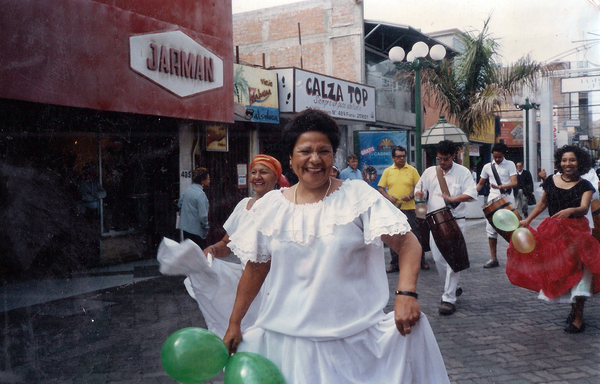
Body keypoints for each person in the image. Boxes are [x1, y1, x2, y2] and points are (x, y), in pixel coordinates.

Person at [223, 109, 449, 383]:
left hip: (354, 345)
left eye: (324, 151)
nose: (315, 159)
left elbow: (408, 243)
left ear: (333, 157)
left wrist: (406, 294)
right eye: (305, 151)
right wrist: (235, 322)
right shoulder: (270, 207)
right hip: (288, 344)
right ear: (291, 158)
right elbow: (256, 268)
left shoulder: (357, 196)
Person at [158, 155, 283, 338]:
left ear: (276, 177)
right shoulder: (243, 206)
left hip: (274, 285)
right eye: (254, 172)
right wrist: (213, 250)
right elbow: (227, 243)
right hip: (246, 280)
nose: (257, 177)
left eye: (264, 172)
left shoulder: (282, 205)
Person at [507, 145, 600, 333]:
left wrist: (571, 211)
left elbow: (584, 208)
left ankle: (579, 317)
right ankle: (573, 310)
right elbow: (542, 204)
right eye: (565, 160)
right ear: (560, 162)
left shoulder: (586, 185)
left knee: (580, 273)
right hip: (554, 233)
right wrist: (528, 219)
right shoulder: (550, 181)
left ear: (579, 162)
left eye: (572, 160)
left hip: (577, 232)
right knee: (563, 273)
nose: (568, 164)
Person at [415, 140, 478, 316]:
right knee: (438, 258)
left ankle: (448, 298)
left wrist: (453, 199)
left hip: (456, 221)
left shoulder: (463, 172)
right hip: (435, 222)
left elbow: (471, 194)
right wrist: (419, 195)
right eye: (439, 159)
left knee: (454, 259)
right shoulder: (429, 172)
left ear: (453, 156)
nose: (442, 162)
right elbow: (420, 191)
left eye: (446, 159)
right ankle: (453, 286)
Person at [378, 145, 429, 272]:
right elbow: (380, 188)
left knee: (416, 235)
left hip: (411, 208)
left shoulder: (412, 170)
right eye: (399, 157)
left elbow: (420, 187)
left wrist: (411, 195)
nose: (402, 159)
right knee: (394, 235)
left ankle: (421, 260)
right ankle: (395, 263)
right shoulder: (388, 171)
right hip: (394, 209)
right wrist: (388, 197)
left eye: (403, 156)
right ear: (393, 158)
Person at [476, 143, 518, 269]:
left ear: (504, 155)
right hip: (492, 200)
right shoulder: (487, 167)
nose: (497, 159)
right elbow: (480, 184)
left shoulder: (510, 164)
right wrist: (472, 193)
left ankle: (516, 258)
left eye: (499, 157)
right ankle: (493, 258)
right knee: (491, 229)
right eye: (495, 157)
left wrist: (500, 187)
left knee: (512, 228)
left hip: (507, 198)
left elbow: (514, 182)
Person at [177, 167, 210, 249]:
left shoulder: (188, 190)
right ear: (202, 180)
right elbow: (203, 216)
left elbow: (179, 203)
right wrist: (206, 228)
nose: (209, 181)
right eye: (208, 179)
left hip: (185, 228)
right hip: (196, 231)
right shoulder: (200, 195)